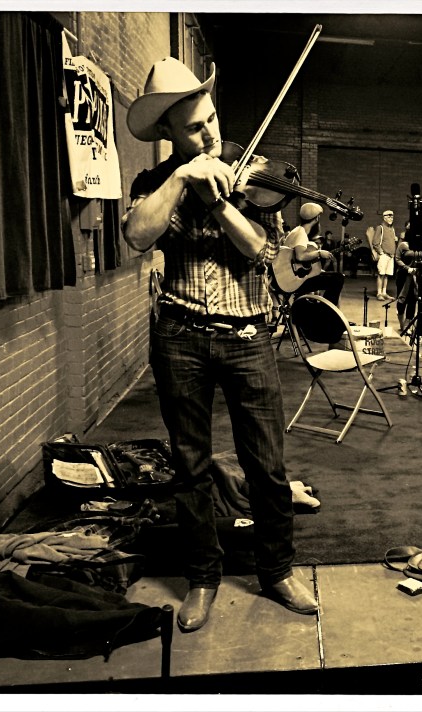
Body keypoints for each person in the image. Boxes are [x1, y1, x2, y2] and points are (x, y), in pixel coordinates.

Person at [121, 58, 317, 632]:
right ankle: (203, 577)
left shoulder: (250, 179)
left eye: (211, 121)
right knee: (189, 465)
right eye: (194, 130)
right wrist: (183, 181)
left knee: (267, 464)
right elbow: (136, 234)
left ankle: (277, 569)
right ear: (168, 136)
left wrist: (217, 201)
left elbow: (259, 249)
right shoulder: (152, 185)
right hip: (179, 337)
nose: (209, 136)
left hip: (249, 335)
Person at [282, 202, 344, 305]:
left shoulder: (296, 231)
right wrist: (319, 253)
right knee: (337, 279)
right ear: (316, 218)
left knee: (331, 276)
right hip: (295, 280)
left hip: (291, 277)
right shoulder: (301, 233)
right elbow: (300, 256)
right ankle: (324, 312)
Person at [394, 234, 422, 331]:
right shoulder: (403, 245)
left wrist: (419, 269)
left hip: (416, 277)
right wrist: (407, 268)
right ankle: (402, 324)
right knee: (402, 299)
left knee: (413, 300)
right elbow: (397, 259)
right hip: (403, 276)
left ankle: (407, 324)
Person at [370, 209, 398, 300]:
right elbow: (375, 242)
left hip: (391, 255)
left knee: (387, 274)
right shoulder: (380, 227)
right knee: (381, 274)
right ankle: (379, 293)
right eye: (388, 216)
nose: (391, 218)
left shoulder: (392, 229)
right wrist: (381, 252)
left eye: (392, 216)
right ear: (384, 217)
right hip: (384, 255)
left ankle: (384, 292)